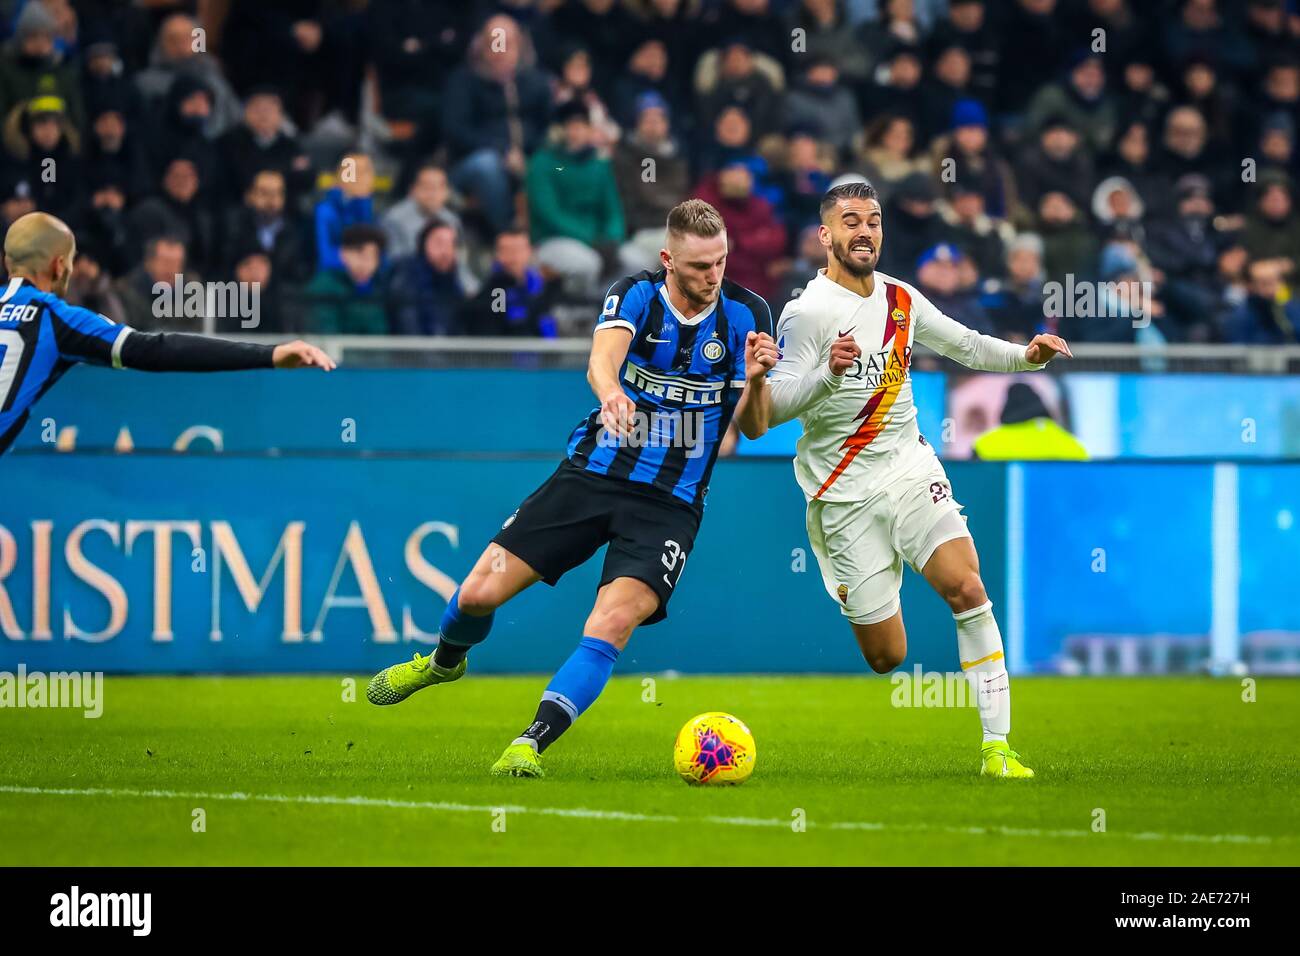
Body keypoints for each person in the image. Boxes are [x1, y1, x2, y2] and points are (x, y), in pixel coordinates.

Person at [364, 200, 778, 778]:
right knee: (478, 595)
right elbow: (599, 362)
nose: (713, 277)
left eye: (720, 262)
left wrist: (757, 384)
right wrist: (612, 393)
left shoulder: (747, 312)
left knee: (609, 623)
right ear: (667, 260)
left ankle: (528, 745)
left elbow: (755, 427)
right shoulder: (634, 294)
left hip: (671, 503)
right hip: (592, 475)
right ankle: (442, 662)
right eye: (699, 267)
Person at [765, 182, 1071, 779]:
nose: (865, 231)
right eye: (850, 221)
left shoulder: (901, 300)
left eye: (873, 221)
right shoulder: (806, 314)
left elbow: (966, 345)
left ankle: (997, 748)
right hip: (843, 493)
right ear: (825, 236)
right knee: (888, 656)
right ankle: (874, 587)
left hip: (909, 468)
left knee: (967, 587)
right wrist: (827, 375)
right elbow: (771, 409)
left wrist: (1024, 357)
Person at [0, 212, 333, 455]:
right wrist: (270, 355)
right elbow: (158, 349)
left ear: (6, 261)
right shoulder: (56, 319)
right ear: (59, 266)